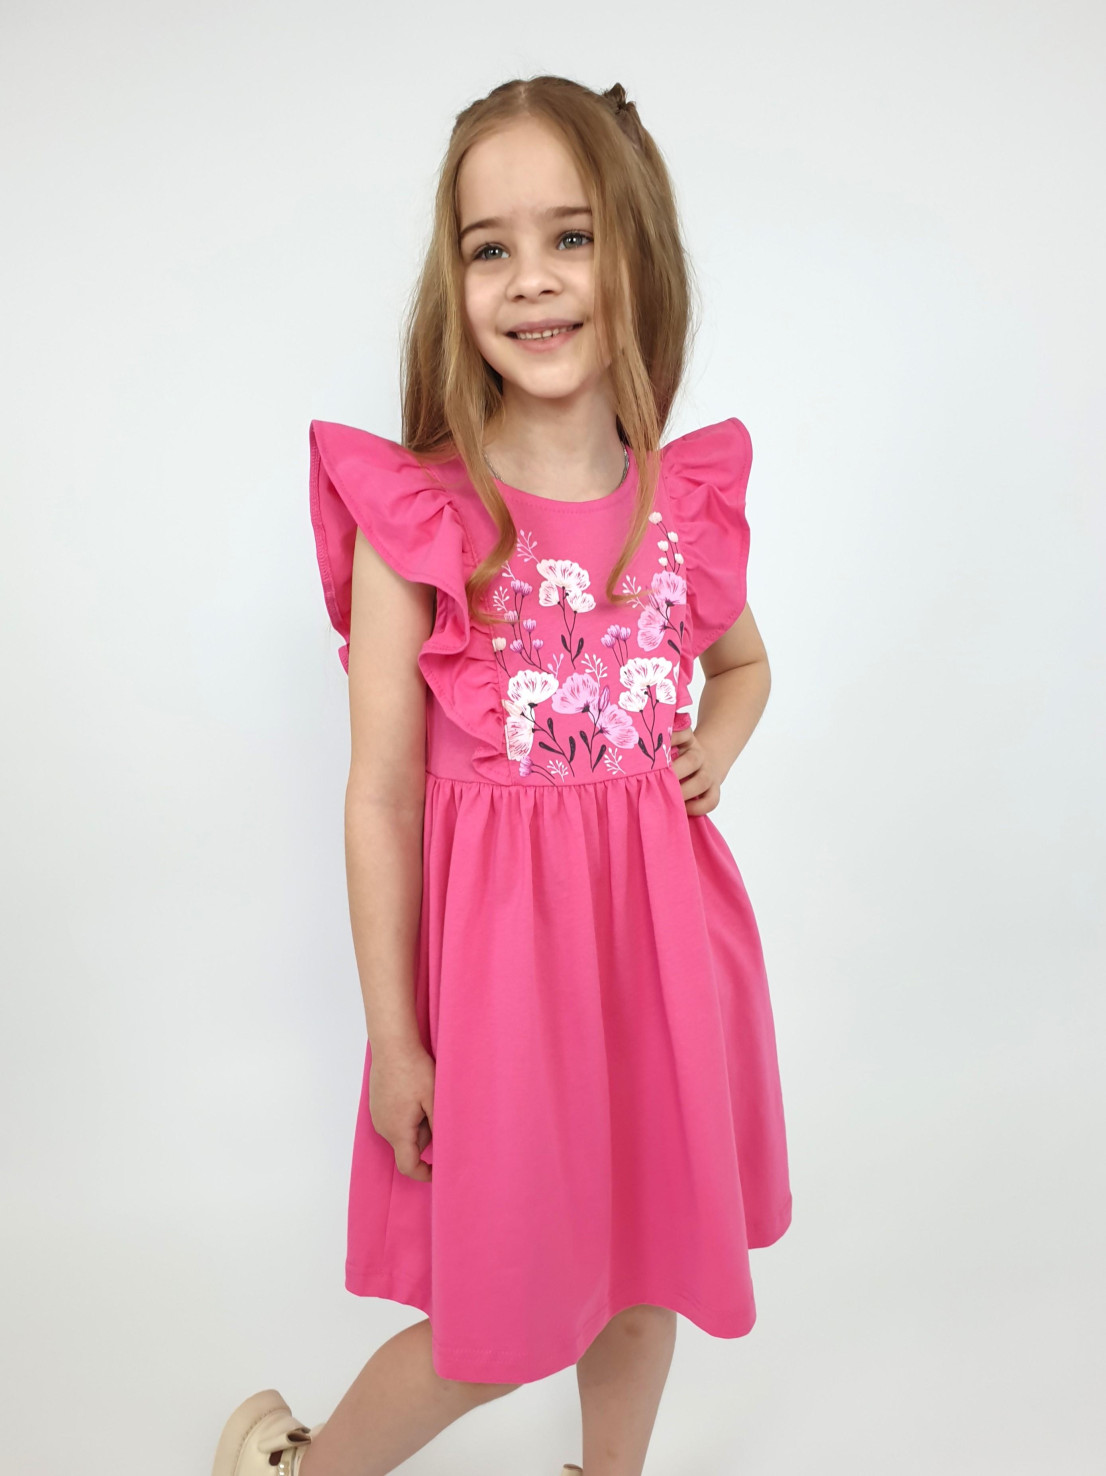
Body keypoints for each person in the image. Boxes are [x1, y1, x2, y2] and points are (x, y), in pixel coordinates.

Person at [212, 74, 792, 1476]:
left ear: (636, 257)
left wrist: (709, 753)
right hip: (501, 997)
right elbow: (380, 796)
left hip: (661, 967)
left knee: (647, 1272)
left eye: (570, 236)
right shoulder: (420, 521)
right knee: (497, 1322)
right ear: (454, 279)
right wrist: (398, 1040)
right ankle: (305, 1470)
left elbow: (743, 667)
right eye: (490, 246)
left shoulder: (678, 506)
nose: (531, 277)